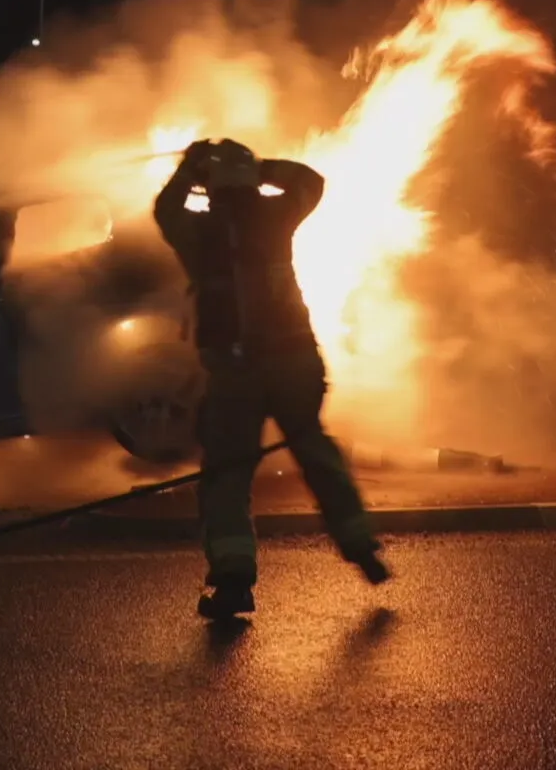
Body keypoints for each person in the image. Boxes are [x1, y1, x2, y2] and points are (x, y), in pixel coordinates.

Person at [153, 138, 389, 620]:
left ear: (211, 188)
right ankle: (361, 544)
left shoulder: (197, 232)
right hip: (294, 362)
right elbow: (310, 181)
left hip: (235, 373)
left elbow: (164, 208)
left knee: (227, 474)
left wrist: (190, 165)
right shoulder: (276, 219)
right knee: (314, 450)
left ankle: (235, 581)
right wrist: (258, 167)